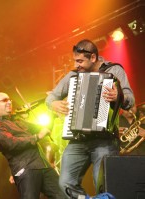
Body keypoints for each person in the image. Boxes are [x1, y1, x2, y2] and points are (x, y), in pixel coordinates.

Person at [45, 39, 135, 198]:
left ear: (93, 57)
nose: (76, 64)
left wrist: (118, 96)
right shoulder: (73, 75)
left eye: (80, 61)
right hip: (78, 140)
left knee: (103, 185)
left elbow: (130, 99)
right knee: (65, 183)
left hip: (105, 141)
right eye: (75, 60)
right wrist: (53, 104)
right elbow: (51, 97)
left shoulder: (114, 70)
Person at [0, 92, 67, 199]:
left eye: (9, 100)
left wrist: (52, 110)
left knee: (64, 196)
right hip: (26, 168)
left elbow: (44, 129)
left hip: (43, 165)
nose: (9, 103)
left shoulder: (17, 121)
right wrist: (36, 137)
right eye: (4, 100)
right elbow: (11, 143)